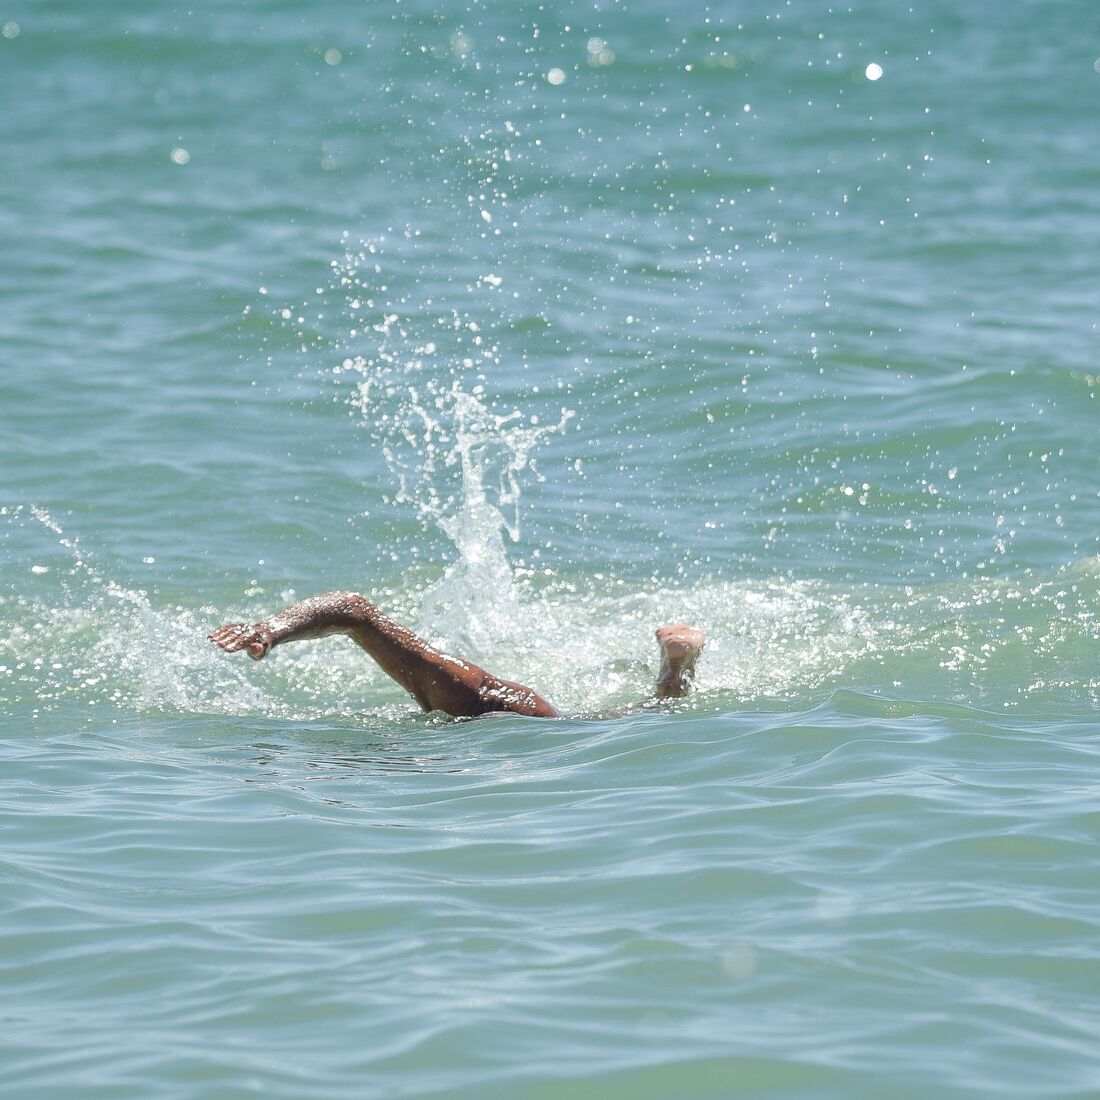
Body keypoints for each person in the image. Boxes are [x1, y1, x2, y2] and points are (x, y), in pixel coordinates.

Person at [209, 590, 704, 718]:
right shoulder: (456, 692)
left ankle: (676, 665)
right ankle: (675, 665)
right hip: (514, 714)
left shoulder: (459, 693)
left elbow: (352, 608)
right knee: (636, 715)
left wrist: (268, 631)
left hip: (495, 708)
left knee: (645, 713)